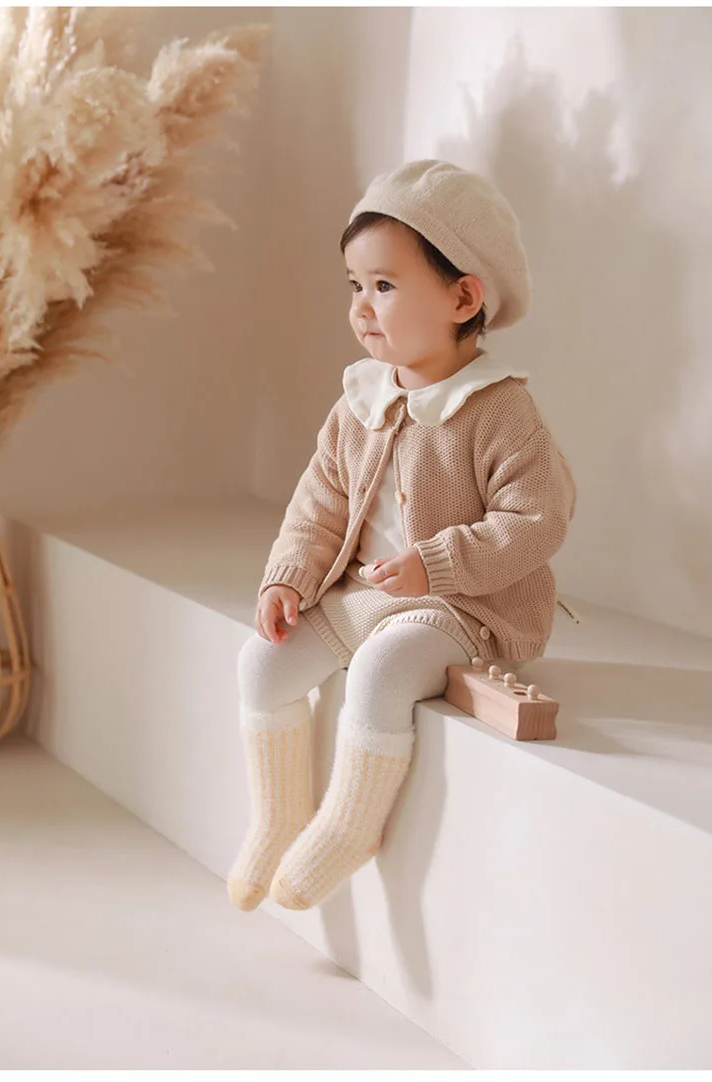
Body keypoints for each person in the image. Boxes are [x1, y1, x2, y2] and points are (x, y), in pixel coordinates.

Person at [227, 160, 577, 913]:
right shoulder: (360, 399)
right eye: (354, 285)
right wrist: (289, 576)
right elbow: (319, 503)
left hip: (460, 608)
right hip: (363, 596)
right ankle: (278, 815)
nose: (361, 307)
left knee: (381, 672)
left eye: (383, 285)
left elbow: (536, 519)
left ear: (462, 298)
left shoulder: (498, 409)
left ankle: (351, 828)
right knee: (262, 664)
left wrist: (437, 565)